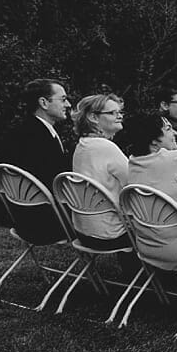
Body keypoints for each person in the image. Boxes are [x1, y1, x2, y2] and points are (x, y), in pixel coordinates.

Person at [123, 113, 177, 271]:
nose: (175, 132)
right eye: (168, 129)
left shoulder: (133, 164)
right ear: (154, 142)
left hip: (147, 249)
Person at [70, 93, 132, 247]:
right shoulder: (106, 147)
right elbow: (135, 183)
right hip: (111, 235)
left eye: (120, 112)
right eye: (112, 113)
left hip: (84, 232)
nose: (119, 117)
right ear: (93, 117)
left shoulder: (82, 145)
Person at [2, 78, 72, 188]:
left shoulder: (24, 130)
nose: (68, 105)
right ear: (44, 103)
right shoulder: (35, 137)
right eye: (63, 100)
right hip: (45, 202)